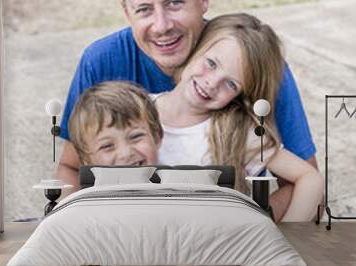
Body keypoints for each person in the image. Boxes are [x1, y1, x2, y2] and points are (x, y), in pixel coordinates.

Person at [57, 0, 318, 219]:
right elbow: (74, 165)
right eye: (144, 8)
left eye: (175, 1)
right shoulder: (130, 99)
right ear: (127, 10)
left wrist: (254, 227)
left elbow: (307, 181)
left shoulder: (253, 70)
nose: (162, 26)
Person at [150, 13, 323, 221]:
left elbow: (310, 179)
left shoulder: (235, 133)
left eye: (231, 84)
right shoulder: (135, 111)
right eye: (211, 63)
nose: (212, 83)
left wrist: (287, 239)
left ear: (239, 96)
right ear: (197, 48)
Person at [69, 81, 163, 167]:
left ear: (157, 136)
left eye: (136, 136)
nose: (125, 153)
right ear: (86, 160)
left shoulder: (175, 183)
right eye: (107, 146)